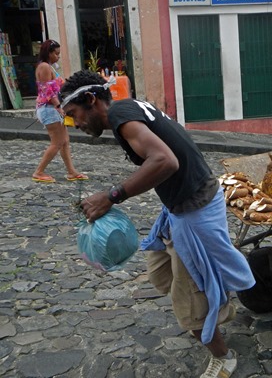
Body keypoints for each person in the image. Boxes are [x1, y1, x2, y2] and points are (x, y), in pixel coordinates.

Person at [60, 70, 255, 378]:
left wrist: (111, 196)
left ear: (91, 100)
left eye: (74, 115)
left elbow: (165, 161)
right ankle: (206, 304)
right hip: (181, 206)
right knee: (159, 271)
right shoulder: (127, 110)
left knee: (188, 296)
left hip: (195, 211)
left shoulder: (123, 116)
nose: (76, 124)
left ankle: (223, 355)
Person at [32, 39, 88, 183]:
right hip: (49, 109)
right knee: (57, 142)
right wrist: (59, 107)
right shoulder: (44, 67)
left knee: (64, 141)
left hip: (51, 108)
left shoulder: (48, 67)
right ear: (49, 53)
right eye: (56, 54)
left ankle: (71, 172)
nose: (58, 56)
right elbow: (48, 92)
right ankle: (39, 172)